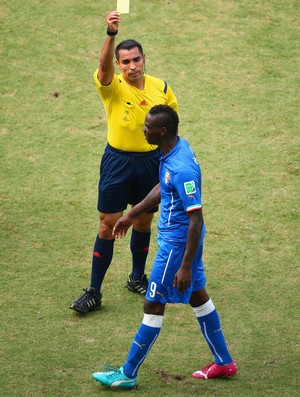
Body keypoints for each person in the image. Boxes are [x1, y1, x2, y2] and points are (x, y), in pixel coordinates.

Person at [92, 105, 237, 388]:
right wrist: (133, 214)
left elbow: (196, 219)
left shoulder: (182, 168)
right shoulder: (174, 151)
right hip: (178, 242)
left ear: (162, 131)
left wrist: (184, 265)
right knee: (197, 296)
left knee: (153, 303)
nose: (142, 130)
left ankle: (127, 373)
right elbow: (163, 185)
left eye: (147, 127)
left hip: (177, 245)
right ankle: (224, 362)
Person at [69, 11, 178, 314]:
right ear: (118, 65)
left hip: (151, 162)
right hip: (117, 162)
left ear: (144, 59)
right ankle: (93, 292)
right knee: (107, 224)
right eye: (125, 62)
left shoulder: (163, 89)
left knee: (143, 220)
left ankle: (136, 277)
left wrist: (171, 161)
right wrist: (110, 33)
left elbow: (172, 129)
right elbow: (102, 68)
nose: (132, 66)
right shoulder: (112, 85)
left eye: (136, 60)